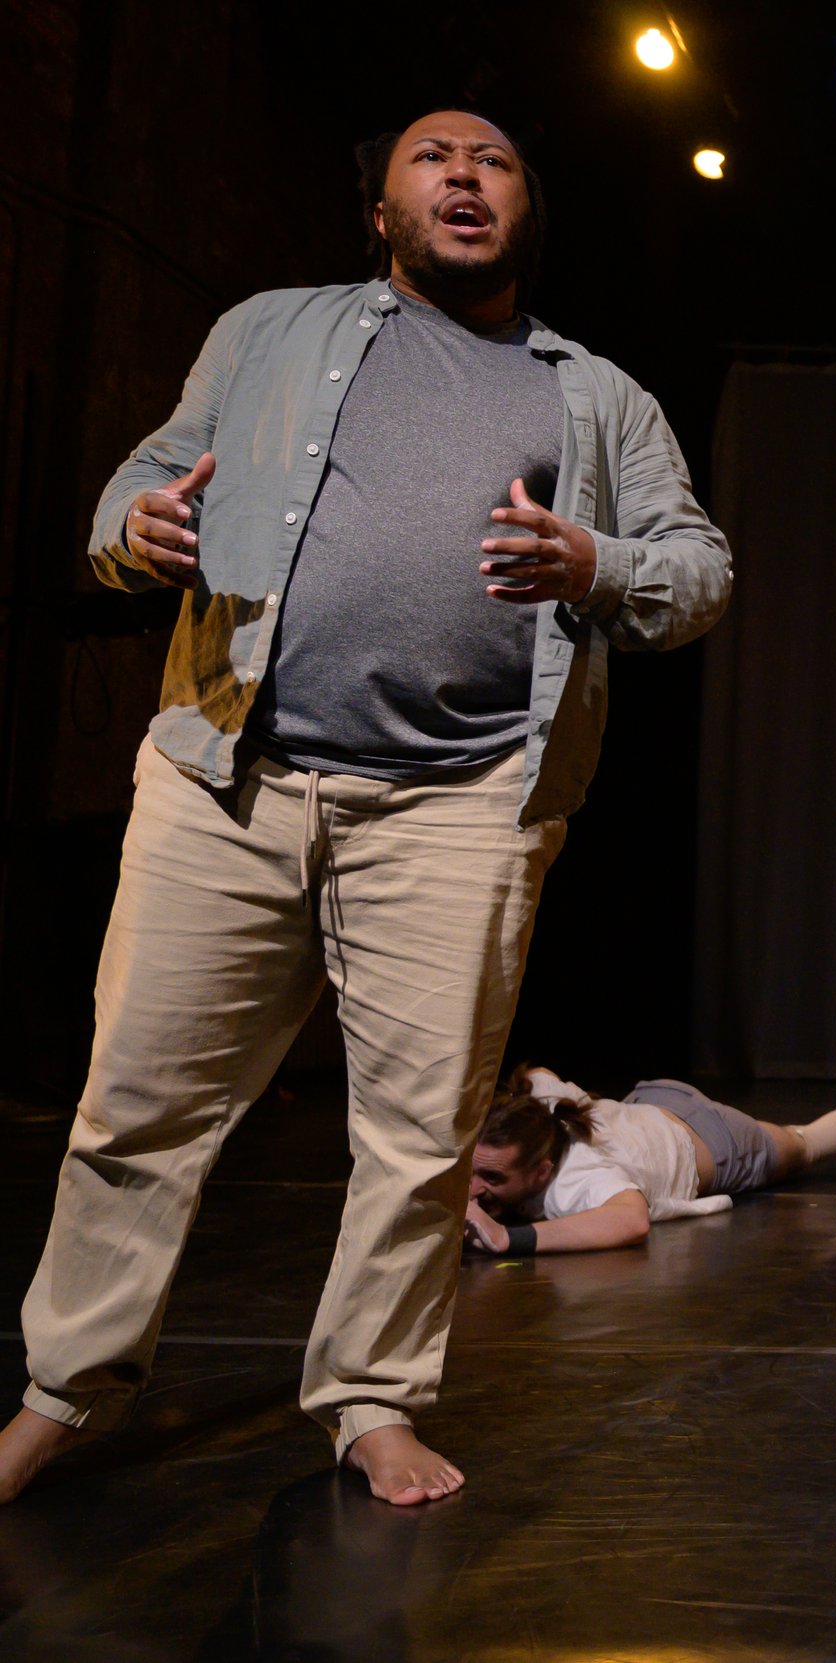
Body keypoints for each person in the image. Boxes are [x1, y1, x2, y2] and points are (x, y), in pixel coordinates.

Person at [0, 110, 732, 1509]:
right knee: (135, 1108)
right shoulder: (266, 331)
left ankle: (373, 1399)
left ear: (525, 210)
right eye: (432, 157)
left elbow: (698, 572)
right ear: (381, 208)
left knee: (417, 1132)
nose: (464, 174)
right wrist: (134, 531)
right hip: (227, 773)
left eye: (495, 161)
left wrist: (593, 559)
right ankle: (61, 1393)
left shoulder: (599, 395)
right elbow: (142, 482)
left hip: (463, 801)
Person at [461, 1068, 836, 1254]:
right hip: (653, 1100)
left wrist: (508, 1237)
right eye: (472, 1171)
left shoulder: (576, 1182)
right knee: (792, 1137)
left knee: (802, 1144)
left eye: (493, 1177)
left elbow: (631, 1220)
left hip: (716, 1141)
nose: (475, 1187)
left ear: (541, 1173)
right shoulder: (535, 1112)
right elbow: (538, 1073)